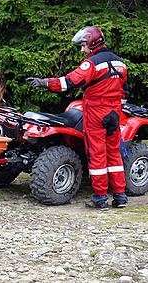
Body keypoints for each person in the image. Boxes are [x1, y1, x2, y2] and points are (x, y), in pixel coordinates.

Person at [26, 26, 129, 209]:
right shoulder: (120, 63)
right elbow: (125, 92)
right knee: (114, 154)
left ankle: (100, 199)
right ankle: (120, 197)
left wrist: (44, 82)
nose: (82, 50)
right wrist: (116, 109)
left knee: (96, 155)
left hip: (97, 113)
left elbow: (69, 82)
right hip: (115, 114)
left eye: (83, 45)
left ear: (92, 42)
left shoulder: (92, 63)